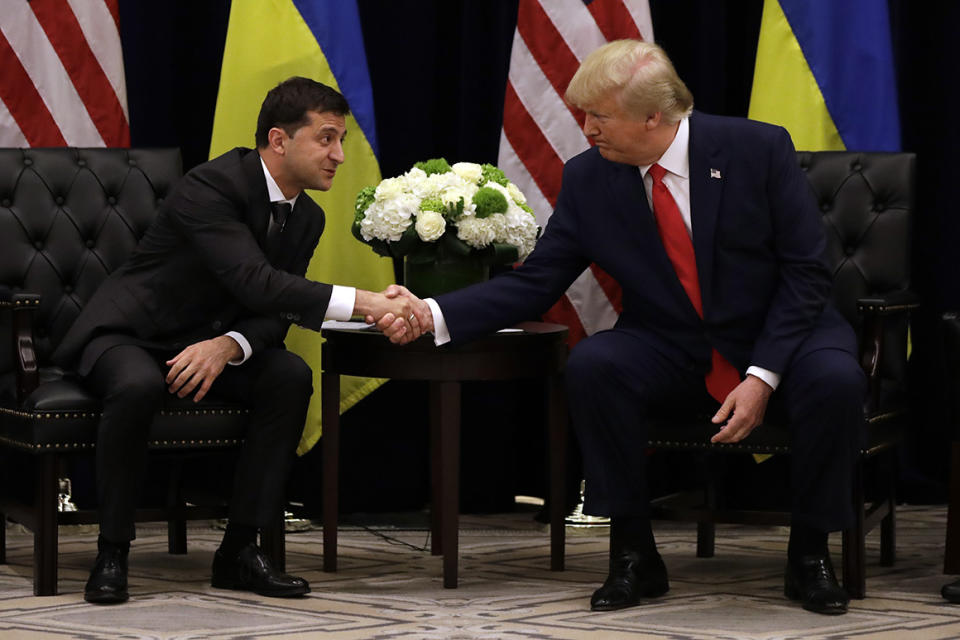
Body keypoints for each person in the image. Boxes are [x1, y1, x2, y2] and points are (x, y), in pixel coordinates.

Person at [388, 41, 864, 615]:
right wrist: (432, 313)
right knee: (595, 364)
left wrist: (763, 375)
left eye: (599, 116)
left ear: (653, 117)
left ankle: (810, 554)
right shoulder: (590, 178)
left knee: (835, 378)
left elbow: (806, 273)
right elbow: (536, 282)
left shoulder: (757, 148)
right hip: (673, 342)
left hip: (785, 331)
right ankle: (634, 553)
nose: (586, 128)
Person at [53, 77, 420, 604]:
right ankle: (112, 550)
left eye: (342, 141)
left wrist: (229, 345)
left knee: (288, 376)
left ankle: (241, 552)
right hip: (134, 334)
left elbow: (280, 309)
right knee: (136, 386)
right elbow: (257, 282)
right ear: (278, 140)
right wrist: (370, 303)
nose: (339, 155)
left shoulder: (307, 217)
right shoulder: (212, 185)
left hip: (212, 342)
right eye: (326, 139)